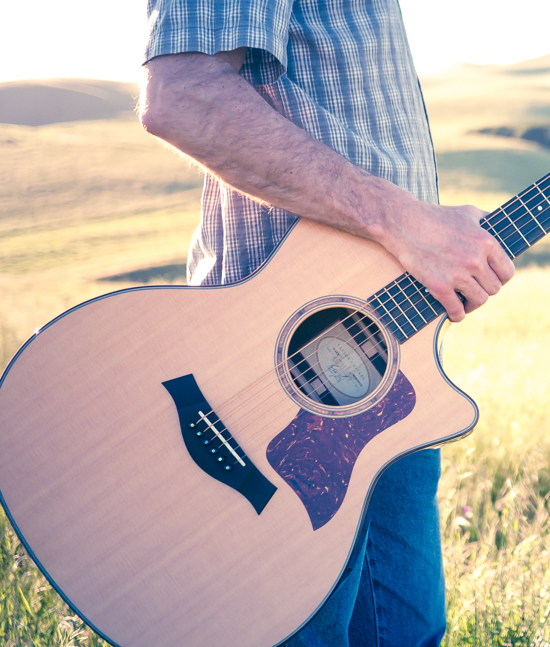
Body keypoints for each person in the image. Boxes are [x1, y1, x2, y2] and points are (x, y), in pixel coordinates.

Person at [139, 0, 515, 644]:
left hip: (382, 373)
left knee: (407, 631)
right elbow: (183, 96)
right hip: (253, 387)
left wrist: (436, 256)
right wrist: (404, 223)